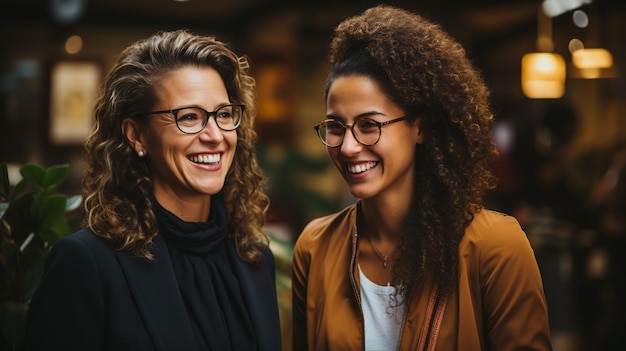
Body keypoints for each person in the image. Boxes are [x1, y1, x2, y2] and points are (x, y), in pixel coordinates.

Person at [292, 5, 552, 351]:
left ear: (421, 127)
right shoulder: (315, 247)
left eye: (369, 125)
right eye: (335, 127)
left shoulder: (496, 248)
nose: (349, 146)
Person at [25, 29, 282, 351]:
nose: (216, 135)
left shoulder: (255, 258)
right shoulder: (87, 262)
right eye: (189, 117)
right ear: (137, 136)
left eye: (224, 114)